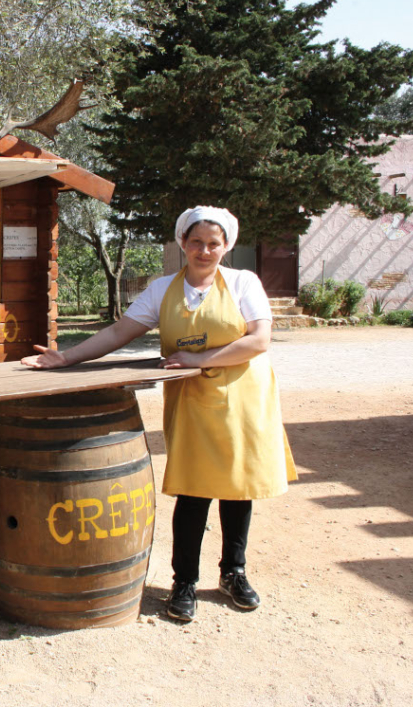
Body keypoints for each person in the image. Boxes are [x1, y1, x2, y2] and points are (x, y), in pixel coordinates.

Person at [22, 206, 296, 622]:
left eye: (214, 243)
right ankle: (184, 581)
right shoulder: (163, 289)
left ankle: (233, 573)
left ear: (226, 246)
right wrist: (67, 357)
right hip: (193, 400)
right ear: (182, 242)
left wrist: (198, 358)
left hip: (244, 396)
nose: (204, 251)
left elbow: (259, 340)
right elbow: (120, 331)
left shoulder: (243, 282)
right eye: (196, 242)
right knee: (194, 490)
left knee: (238, 488)